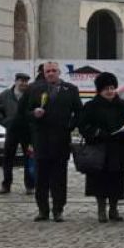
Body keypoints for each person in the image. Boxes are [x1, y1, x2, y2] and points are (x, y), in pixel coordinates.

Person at [20, 61, 83, 222]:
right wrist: (34, 114)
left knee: (59, 177)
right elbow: (23, 113)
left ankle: (58, 209)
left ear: (59, 72)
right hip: (41, 139)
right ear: (43, 73)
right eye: (47, 71)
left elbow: (79, 112)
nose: (50, 73)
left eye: (53, 70)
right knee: (41, 177)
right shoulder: (34, 89)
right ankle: (43, 210)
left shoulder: (70, 89)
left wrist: (70, 126)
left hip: (61, 139)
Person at [75, 72, 124, 223]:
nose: (110, 91)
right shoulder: (91, 106)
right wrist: (97, 133)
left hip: (118, 149)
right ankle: (101, 209)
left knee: (116, 181)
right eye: (106, 89)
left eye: (112, 88)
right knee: (99, 182)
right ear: (100, 90)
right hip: (98, 149)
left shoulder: (123, 105)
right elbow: (83, 125)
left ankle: (114, 209)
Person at [0, 72, 33, 196]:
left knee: (29, 158)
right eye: (21, 81)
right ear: (16, 81)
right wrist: (5, 122)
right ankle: (6, 184)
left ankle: (30, 185)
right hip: (11, 131)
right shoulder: (5, 95)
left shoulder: (31, 94)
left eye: (26, 81)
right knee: (8, 158)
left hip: (27, 131)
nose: (24, 84)